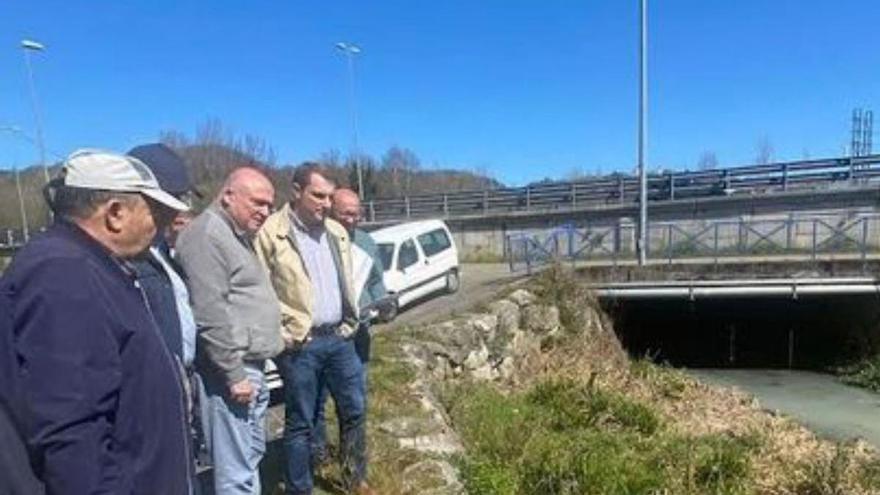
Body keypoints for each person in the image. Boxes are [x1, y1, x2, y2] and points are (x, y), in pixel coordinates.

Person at [0, 149, 191, 494]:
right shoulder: (62, 275)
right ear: (115, 213)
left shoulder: (91, 266)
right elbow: (72, 432)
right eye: (157, 214)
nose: (161, 228)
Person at [254, 163, 372, 495]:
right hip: (300, 345)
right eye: (317, 195)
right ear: (296, 191)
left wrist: (351, 321)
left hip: (339, 338)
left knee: (355, 410)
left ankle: (354, 480)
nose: (325, 203)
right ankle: (299, 489)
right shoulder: (271, 233)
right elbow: (259, 290)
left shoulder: (335, 231)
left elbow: (346, 282)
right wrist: (284, 334)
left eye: (329, 196)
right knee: (301, 423)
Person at [175, 166, 284, 495]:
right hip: (230, 374)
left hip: (252, 369)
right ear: (228, 196)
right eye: (258, 203)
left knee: (250, 457)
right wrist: (233, 372)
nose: (265, 212)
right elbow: (209, 312)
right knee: (234, 472)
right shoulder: (207, 236)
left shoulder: (234, 236)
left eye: (269, 205)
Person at [127, 143, 205, 490]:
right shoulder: (129, 255)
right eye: (174, 198)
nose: (180, 209)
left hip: (180, 381)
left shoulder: (159, 250)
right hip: (152, 397)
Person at [311, 188, 388, 466]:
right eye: (346, 213)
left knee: (354, 403)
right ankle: (317, 453)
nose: (353, 220)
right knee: (316, 402)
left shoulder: (367, 243)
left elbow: (377, 282)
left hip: (358, 335)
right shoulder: (317, 241)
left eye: (357, 214)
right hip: (322, 336)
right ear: (331, 210)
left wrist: (383, 302)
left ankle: (351, 465)